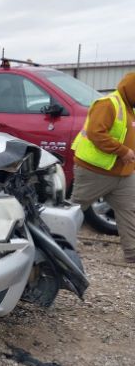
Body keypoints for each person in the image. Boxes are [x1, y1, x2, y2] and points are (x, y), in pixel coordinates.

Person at [71, 72, 135, 263]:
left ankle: (132, 253)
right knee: (74, 209)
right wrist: (122, 151)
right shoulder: (108, 104)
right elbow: (95, 133)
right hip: (94, 171)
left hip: (122, 173)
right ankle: (56, 245)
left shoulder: (129, 107)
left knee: (128, 210)